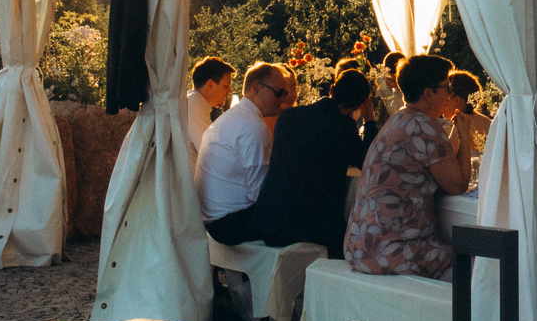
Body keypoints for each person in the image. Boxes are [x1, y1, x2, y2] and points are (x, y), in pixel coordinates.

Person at [345, 54, 475, 279]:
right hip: (393, 251)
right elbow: (458, 185)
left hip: (360, 246)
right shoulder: (424, 127)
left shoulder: (397, 121)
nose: (450, 94)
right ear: (429, 93)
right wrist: (464, 136)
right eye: (447, 87)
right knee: (479, 267)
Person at [249, 68, 375, 257]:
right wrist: (370, 120)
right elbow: (370, 163)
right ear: (359, 105)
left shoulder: (289, 116)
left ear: (331, 89)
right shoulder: (344, 128)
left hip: (271, 222)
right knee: (358, 243)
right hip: (310, 227)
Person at [197, 61, 295, 245]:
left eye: (286, 93)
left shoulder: (232, 117)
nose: (284, 98)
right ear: (256, 88)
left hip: (213, 219)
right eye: (279, 92)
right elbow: (261, 193)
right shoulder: (252, 126)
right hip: (229, 224)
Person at [185, 57, 234, 152]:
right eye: (226, 86)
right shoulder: (193, 104)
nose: (230, 91)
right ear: (210, 84)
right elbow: (209, 152)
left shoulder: (194, 103)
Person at [445, 70, 492, 144]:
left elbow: (449, 151)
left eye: (446, 97)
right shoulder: (487, 121)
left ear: (457, 100)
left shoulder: (461, 124)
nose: (441, 101)